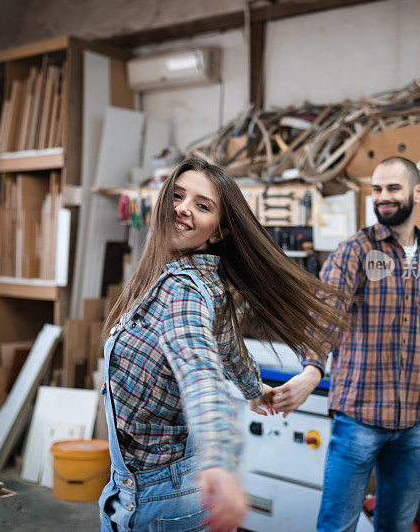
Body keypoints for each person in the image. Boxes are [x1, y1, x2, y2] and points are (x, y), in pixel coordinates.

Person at [99, 157, 345, 532]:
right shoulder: (202, 282)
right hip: (173, 487)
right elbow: (229, 345)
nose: (182, 208)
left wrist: (221, 461)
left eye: (202, 205)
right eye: (178, 196)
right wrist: (254, 389)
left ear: (217, 233)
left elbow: (201, 375)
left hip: (156, 499)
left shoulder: (181, 290)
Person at [269, 156, 420, 531]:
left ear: (418, 192)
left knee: (397, 524)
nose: (383, 197)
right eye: (377, 190)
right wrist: (313, 368)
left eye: (393, 188)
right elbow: (324, 315)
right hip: (359, 416)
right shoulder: (354, 251)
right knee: (338, 525)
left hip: (414, 422)